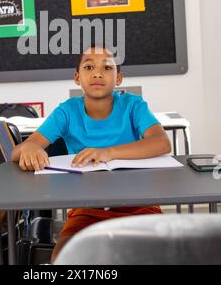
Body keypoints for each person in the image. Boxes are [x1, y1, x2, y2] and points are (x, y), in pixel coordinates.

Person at [11, 45, 172, 262]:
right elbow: (17, 152)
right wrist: (30, 146)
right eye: (89, 67)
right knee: (63, 257)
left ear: (119, 78)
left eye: (107, 68)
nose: (97, 73)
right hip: (87, 210)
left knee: (158, 256)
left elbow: (162, 143)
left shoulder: (133, 106)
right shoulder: (67, 111)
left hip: (139, 205)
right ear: (77, 77)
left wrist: (109, 152)